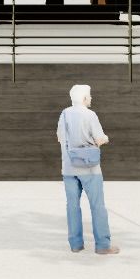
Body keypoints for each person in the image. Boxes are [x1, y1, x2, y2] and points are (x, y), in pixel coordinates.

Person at [55, 82, 113, 254]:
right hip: (90, 169)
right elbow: (99, 138)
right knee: (97, 206)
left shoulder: (64, 114)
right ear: (84, 97)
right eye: (89, 95)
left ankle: (76, 244)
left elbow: (59, 137)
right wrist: (105, 138)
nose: (91, 98)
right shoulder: (90, 115)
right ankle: (103, 246)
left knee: (72, 206)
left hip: (68, 168)